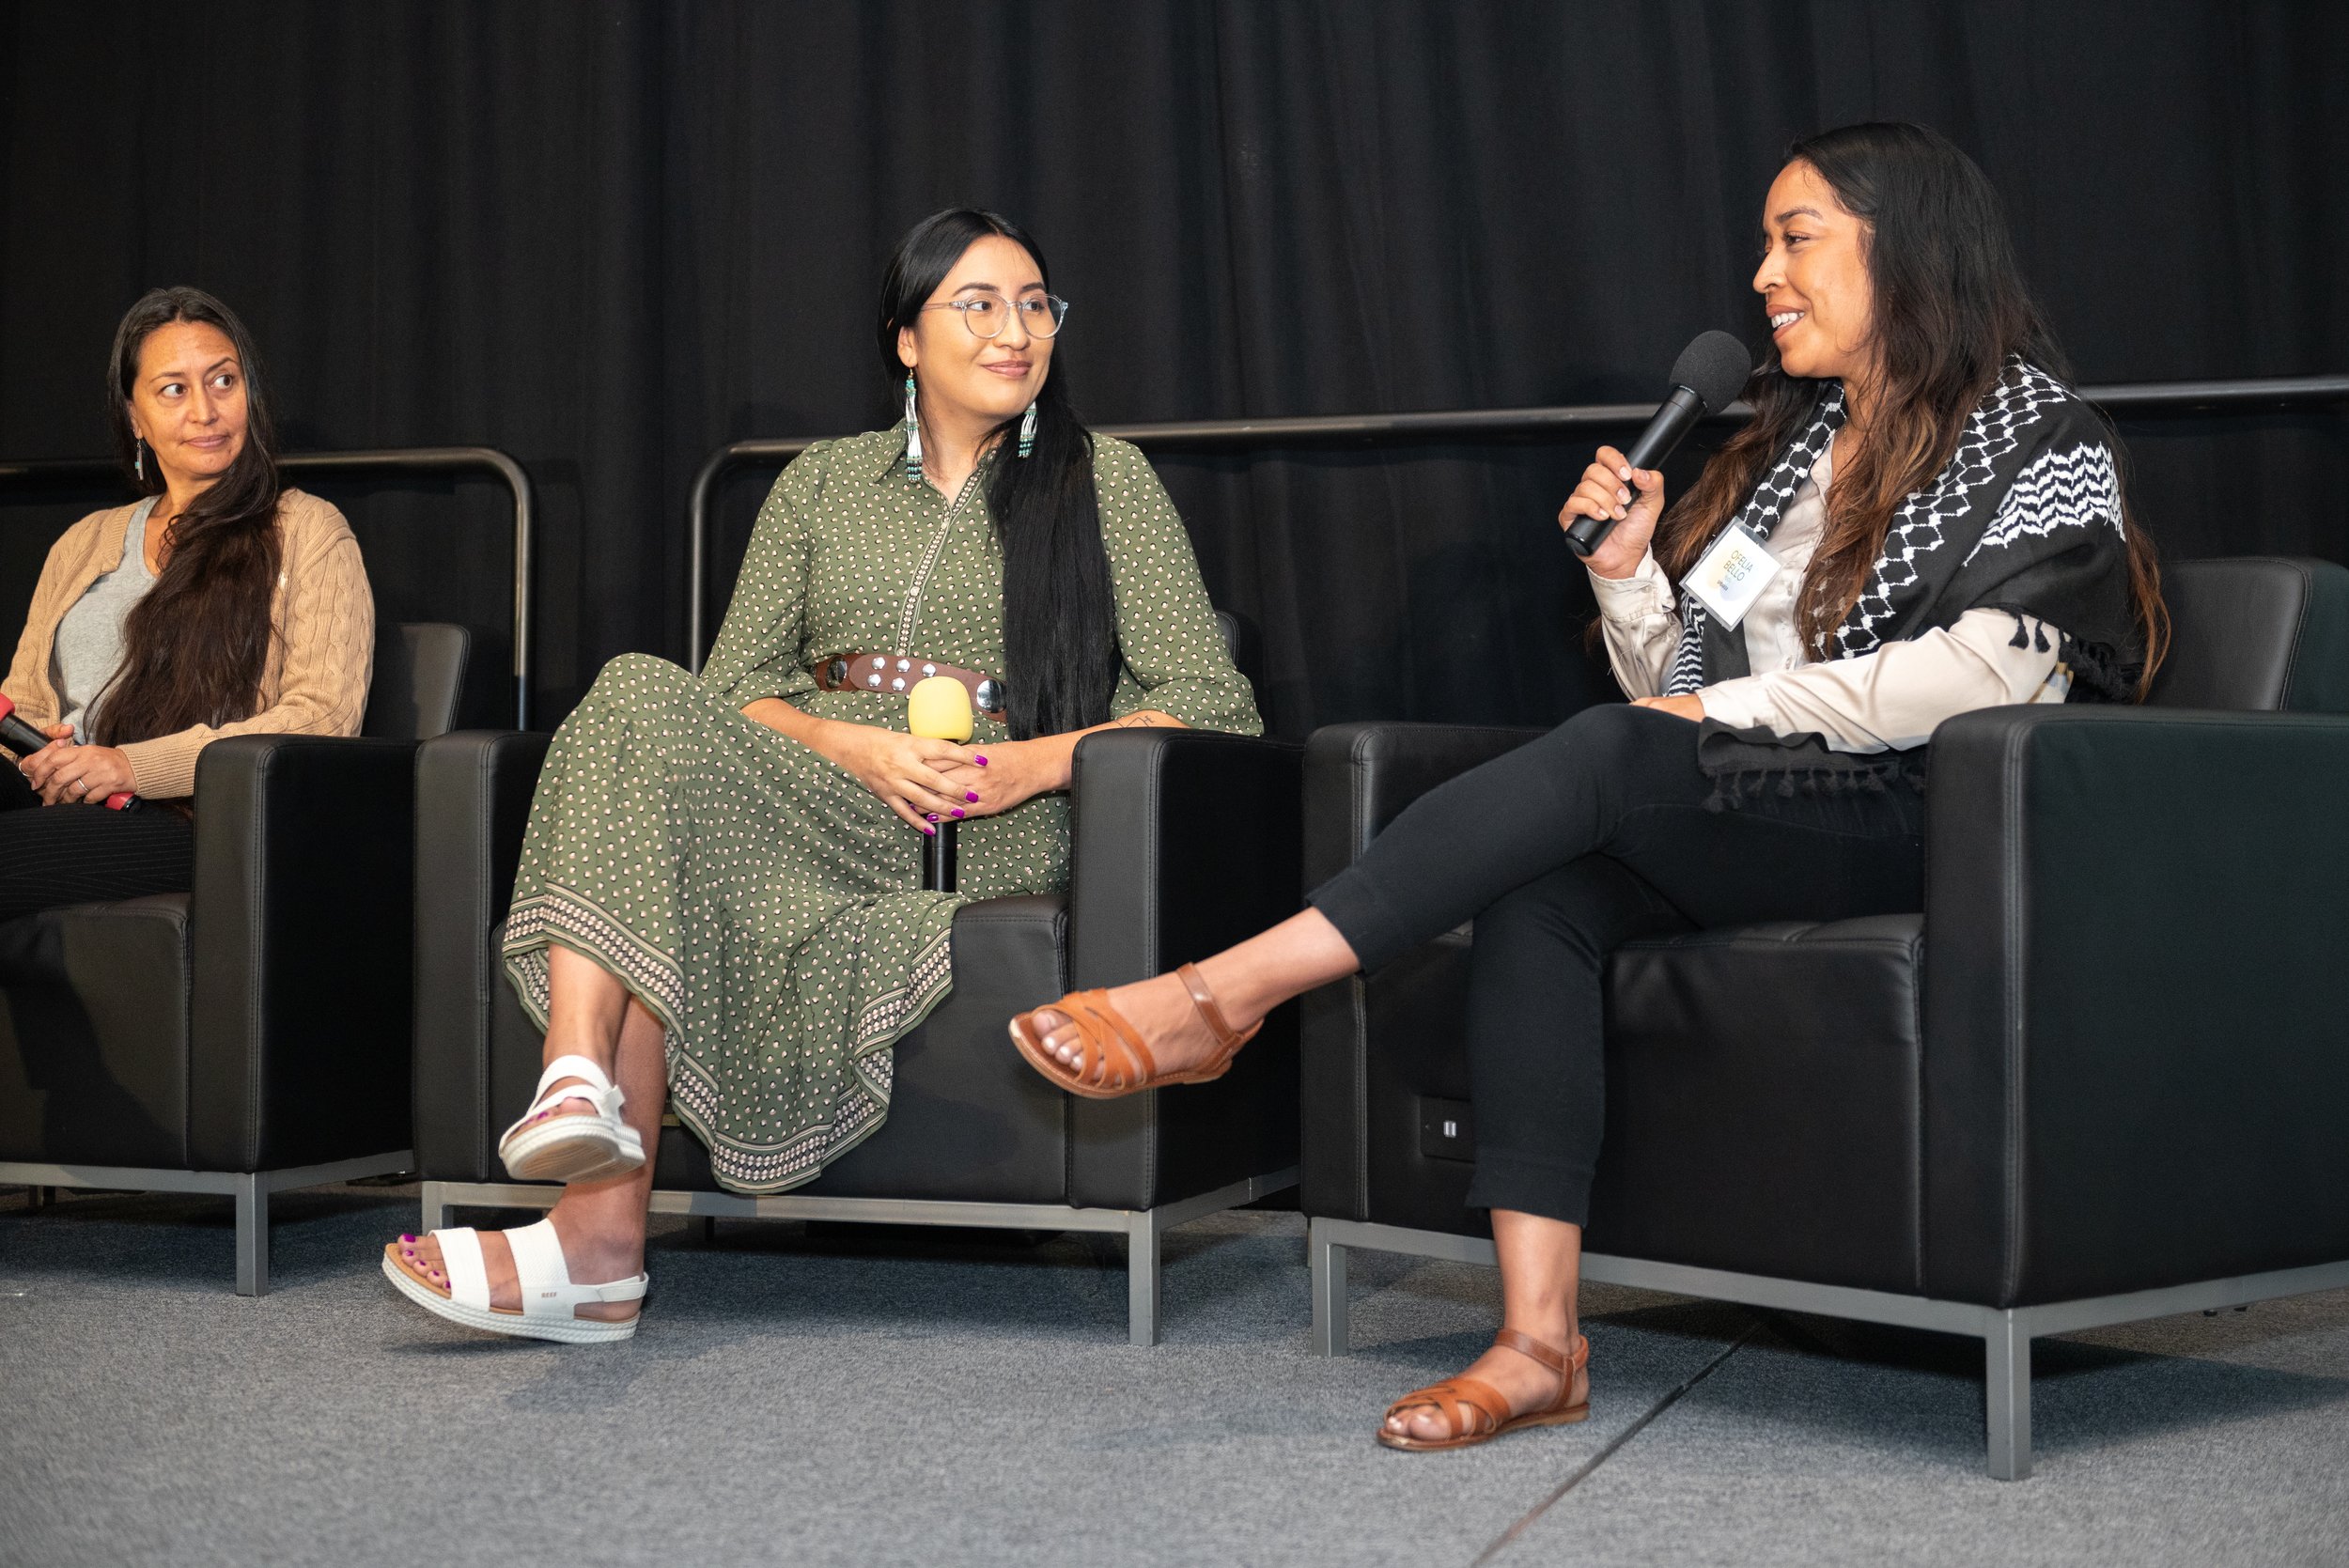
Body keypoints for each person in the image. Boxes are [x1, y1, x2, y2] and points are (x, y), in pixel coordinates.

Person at [1007, 122, 2168, 1450]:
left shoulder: (2034, 430)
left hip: (1931, 817)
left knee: (1610, 760)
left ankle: (1224, 993)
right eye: (1766, 243)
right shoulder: (1794, 455)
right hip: (1771, 800)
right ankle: (1539, 1339)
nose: (1762, 277)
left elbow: (1984, 675)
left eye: (1797, 238)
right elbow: (1672, 690)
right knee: (1542, 892)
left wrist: (1712, 707)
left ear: (1908, 248)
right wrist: (1628, 573)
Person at [381, 209, 1260, 1342]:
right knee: (641, 696)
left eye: (1036, 304)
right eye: (979, 304)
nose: (1016, 329)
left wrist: (1020, 767)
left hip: (980, 814)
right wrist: (854, 744)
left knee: (658, 779)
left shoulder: (1107, 483)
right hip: (820, 782)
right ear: (907, 339)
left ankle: (591, 1216)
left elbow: (1212, 703)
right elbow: (734, 687)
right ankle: (578, 1130)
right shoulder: (820, 484)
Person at [0, 287, 373, 924]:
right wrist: (44, 752)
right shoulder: (82, 542)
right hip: (58, 797)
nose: (205, 410)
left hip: (183, 817)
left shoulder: (308, 529)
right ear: (134, 416)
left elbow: (321, 719)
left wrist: (127, 767)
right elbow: (25, 700)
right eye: (174, 389)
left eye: (223, 380)